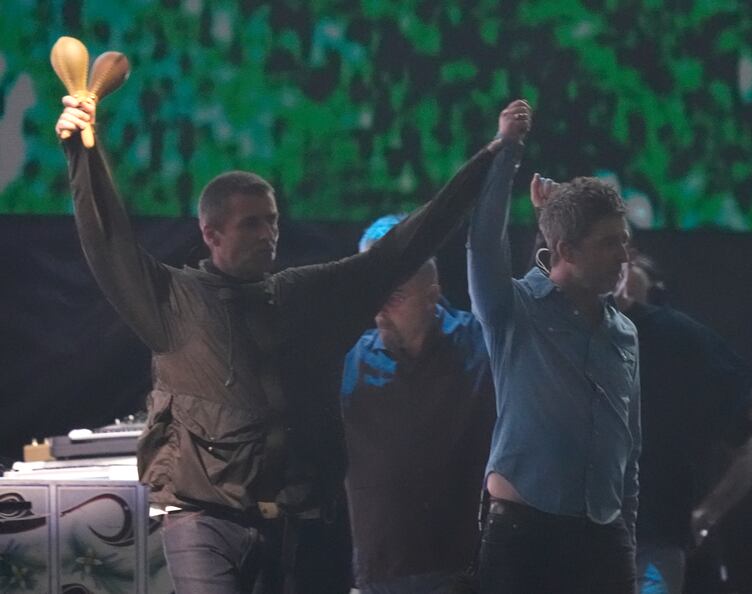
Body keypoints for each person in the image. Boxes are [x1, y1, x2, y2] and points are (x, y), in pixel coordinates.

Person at [53, 94, 519, 593]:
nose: (268, 233)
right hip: (205, 522)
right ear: (210, 233)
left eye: (272, 219)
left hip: (304, 525)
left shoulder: (306, 295)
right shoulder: (173, 300)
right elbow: (109, 242)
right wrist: (84, 150)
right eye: (251, 223)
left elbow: (406, 245)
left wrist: (492, 155)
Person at [467, 115, 641, 593]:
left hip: (604, 538)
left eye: (623, 242)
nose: (624, 257)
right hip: (524, 537)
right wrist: (507, 152)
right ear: (565, 249)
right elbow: (482, 244)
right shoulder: (515, 309)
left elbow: (631, 446)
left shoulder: (624, 332)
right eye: (610, 244)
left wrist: (626, 530)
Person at [614, 253, 752, 594]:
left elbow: (748, 429)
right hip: (584, 533)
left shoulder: (681, 345)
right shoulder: (568, 333)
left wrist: (704, 516)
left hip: (656, 537)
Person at [339, 215, 497, 594]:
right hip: (378, 573)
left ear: (432, 293)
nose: (378, 307)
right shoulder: (348, 361)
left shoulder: (481, 347)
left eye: (393, 295)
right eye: (370, 289)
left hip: (466, 573)